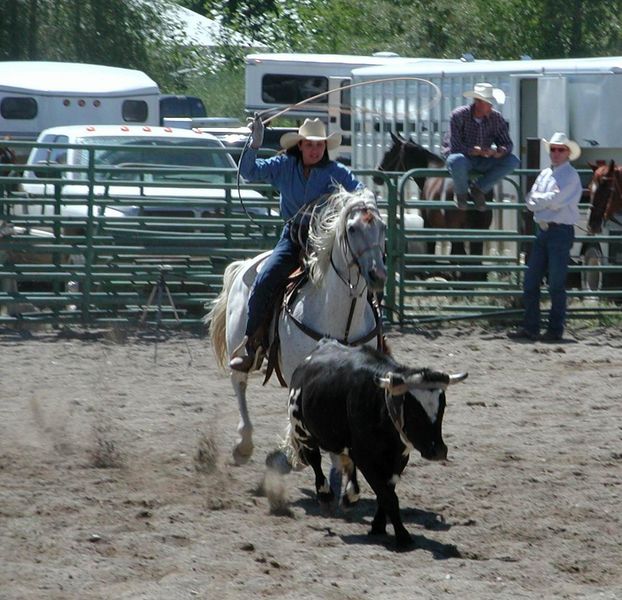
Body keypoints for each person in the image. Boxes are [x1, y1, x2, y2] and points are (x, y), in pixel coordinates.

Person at [229, 116, 363, 372]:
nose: (315, 150)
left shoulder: (335, 172)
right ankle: (252, 343)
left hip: (325, 239)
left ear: (325, 148)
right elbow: (249, 172)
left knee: (360, 274)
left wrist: (365, 201)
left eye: (319, 145)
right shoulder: (283, 166)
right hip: (293, 238)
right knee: (265, 279)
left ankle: (375, 337)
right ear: (299, 145)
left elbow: (359, 189)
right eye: (309, 144)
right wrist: (254, 144)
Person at [508, 132, 583, 342]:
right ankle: (533, 328)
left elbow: (550, 200)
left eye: (560, 149)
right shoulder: (547, 174)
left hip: (559, 231)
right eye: (553, 149)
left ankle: (553, 330)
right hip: (545, 231)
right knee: (531, 282)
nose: (556, 153)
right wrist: (543, 201)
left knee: (556, 284)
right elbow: (532, 199)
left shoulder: (570, 176)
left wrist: (540, 201)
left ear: (568, 152)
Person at [442, 83, 520, 211]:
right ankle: (461, 194)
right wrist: (474, 151)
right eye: (488, 102)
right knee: (456, 160)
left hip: (482, 158)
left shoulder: (496, 117)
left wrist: (500, 151)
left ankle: (478, 188)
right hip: (464, 158)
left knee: (512, 161)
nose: (491, 106)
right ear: (477, 102)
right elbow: (454, 146)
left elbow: (507, 143)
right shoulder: (459, 115)